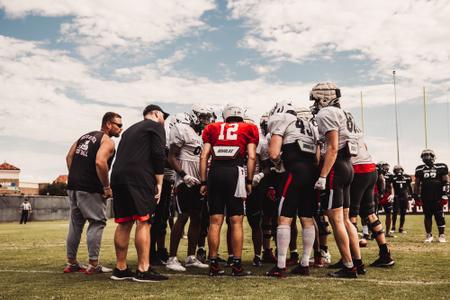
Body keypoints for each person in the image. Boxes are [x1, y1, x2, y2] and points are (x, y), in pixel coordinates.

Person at [110, 105, 169, 283]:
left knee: (124, 222)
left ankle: (121, 268)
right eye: (163, 117)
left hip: (118, 176)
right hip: (139, 177)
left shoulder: (128, 131)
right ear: (157, 114)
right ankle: (143, 269)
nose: (164, 120)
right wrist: (159, 182)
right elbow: (158, 154)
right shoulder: (156, 126)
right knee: (144, 222)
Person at [200, 103, 259, 276]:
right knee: (236, 221)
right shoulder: (249, 128)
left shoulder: (213, 128)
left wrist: (203, 181)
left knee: (215, 221)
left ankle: (213, 264)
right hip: (235, 172)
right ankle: (237, 265)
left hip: (215, 172)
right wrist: (249, 180)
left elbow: (204, 156)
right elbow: (252, 156)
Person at [310, 82, 361, 278]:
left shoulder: (326, 113)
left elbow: (332, 147)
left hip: (335, 166)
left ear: (323, 97)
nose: (314, 103)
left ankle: (349, 266)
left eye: (315, 98)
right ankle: (357, 261)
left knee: (336, 220)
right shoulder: (345, 113)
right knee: (346, 220)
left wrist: (323, 175)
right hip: (348, 164)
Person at [65, 112, 122, 274]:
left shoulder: (84, 137)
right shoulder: (107, 141)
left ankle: (71, 262)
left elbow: (69, 157)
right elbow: (100, 161)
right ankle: (93, 264)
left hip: (74, 186)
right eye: (118, 125)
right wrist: (106, 186)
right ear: (109, 124)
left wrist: (76, 176)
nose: (121, 129)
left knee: (75, 225)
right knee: (97, 222)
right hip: (91, 188)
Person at [265, 103, 318, 277]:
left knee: (284, 219)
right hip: (311, 173)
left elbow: (273, 154)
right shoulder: (309, 125)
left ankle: (280, 266)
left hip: (294, 173)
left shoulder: (282, 119)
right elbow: (317, 156)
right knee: (307, 218)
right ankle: (304, 263)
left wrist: (279, 162)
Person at [165, 106, 213, 271]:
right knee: (183, 216)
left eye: (208, 117)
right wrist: (184, 175)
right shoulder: (181, 128)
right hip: (184, 182)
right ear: (195, 116)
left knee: (197, 218)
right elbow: (171, 156)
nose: (207, 121)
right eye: (204, 117)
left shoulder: (199, 135)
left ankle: (191, 257)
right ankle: (172, 258)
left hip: (198, 181)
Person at [346, 111, 395, 267]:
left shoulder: (337, 126)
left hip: (357, 170)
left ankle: (353, 258)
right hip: (370, 168)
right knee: (370, 213)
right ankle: (385, 254)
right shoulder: (357, 131)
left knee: (351, 215)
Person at [414, 149, 449, 243]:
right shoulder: (419, 168)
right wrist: (416, 197)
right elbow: (417, 184)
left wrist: (445, 195)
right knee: (427, 215)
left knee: (439, 215)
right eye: (424, 155)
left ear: (433, 156)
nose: (425, 157)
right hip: (426, 196)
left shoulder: (442, 166)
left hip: (438, 195)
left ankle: (441, 235)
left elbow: (446, 182)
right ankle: (429, 235)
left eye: (427, 155)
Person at [391, 165, 413, 233]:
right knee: (395, 212)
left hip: (404, 196)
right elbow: (391, 187)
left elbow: (410, 187)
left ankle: (401, 228)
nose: (399, 171)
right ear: (394, 171)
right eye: (397, 170)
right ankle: (393, 227)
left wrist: (411, 195)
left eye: (400, 169)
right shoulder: (393, 178)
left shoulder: (407, 177)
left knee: (403, 213)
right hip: (396, 196)